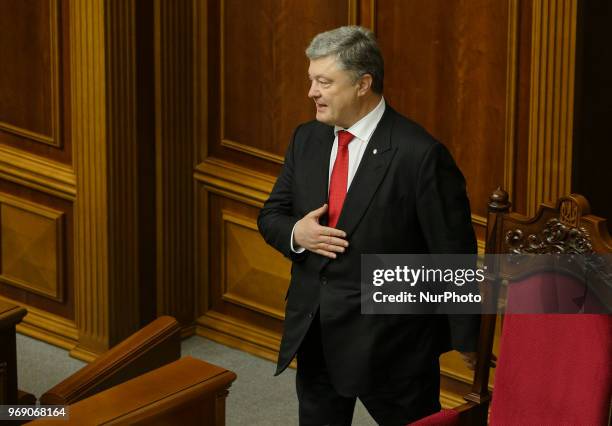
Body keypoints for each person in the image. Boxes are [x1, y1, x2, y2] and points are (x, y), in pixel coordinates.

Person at [258, 26, 479, 425]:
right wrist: (298, 234)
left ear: (363, 83)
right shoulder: (306, 139)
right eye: (311, 80)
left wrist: (467, 337)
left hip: (392, 344)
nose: (312, 92)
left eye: (324, 82)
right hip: (316, 333)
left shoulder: (420, 155)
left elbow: (453, 253)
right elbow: (271, 215)